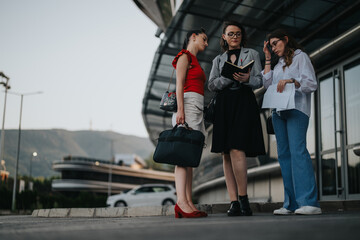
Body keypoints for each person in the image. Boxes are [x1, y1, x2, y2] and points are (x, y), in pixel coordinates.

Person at [208, 21, 265, 216]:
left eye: (238, 34)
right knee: (226, 152)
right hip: (224, 105)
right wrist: (228, 77)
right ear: (224, 37)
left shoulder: (253, 54)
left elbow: (259, 80)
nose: (234, 37)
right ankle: (233, 202)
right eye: (231, 34)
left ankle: (244, 199)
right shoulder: (218, 59)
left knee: (237, 148)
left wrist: (246, 79)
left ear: (242, 36)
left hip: (244, 102)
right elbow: (212, 85)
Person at [262, 29, 321, 215]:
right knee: (284, 156)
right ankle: (291, 204)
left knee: (298, 152)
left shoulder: (300, 57)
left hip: (296, 109)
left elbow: (311, 84)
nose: (273, 48)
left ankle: (309, 203)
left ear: (286, 40)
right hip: (279, 112)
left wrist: (292, 81)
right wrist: (267, 59)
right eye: (270, 46)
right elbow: (266, 84)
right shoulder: (278, 63)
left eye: (275, 44)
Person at [172, 28, 208, 218]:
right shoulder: (184, 56)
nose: (206, 43)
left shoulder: (195, 60)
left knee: (189, 157)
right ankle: (181, 202)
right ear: (193, 37)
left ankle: (188, 202)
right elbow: (179, 84)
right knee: (182, 157)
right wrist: (180, 110)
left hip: (196, 108)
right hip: (187, 106)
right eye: (204, 39)